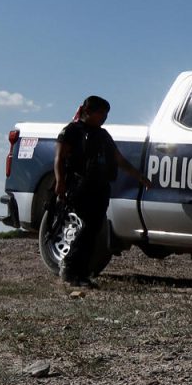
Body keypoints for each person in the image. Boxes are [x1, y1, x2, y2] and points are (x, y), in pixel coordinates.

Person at [52, 95, 149, 288]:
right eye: (100, 113)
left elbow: (119, 160)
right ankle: (71, 268)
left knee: (94, 229)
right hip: (80, 186)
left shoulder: (102, 135)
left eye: (106, 114)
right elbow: (59, 158)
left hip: (100, 187)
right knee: (87, 227)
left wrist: (139, 177)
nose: (104, 117)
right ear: (88, 112)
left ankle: (81, 272)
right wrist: (60, 181)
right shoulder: (72, 131)